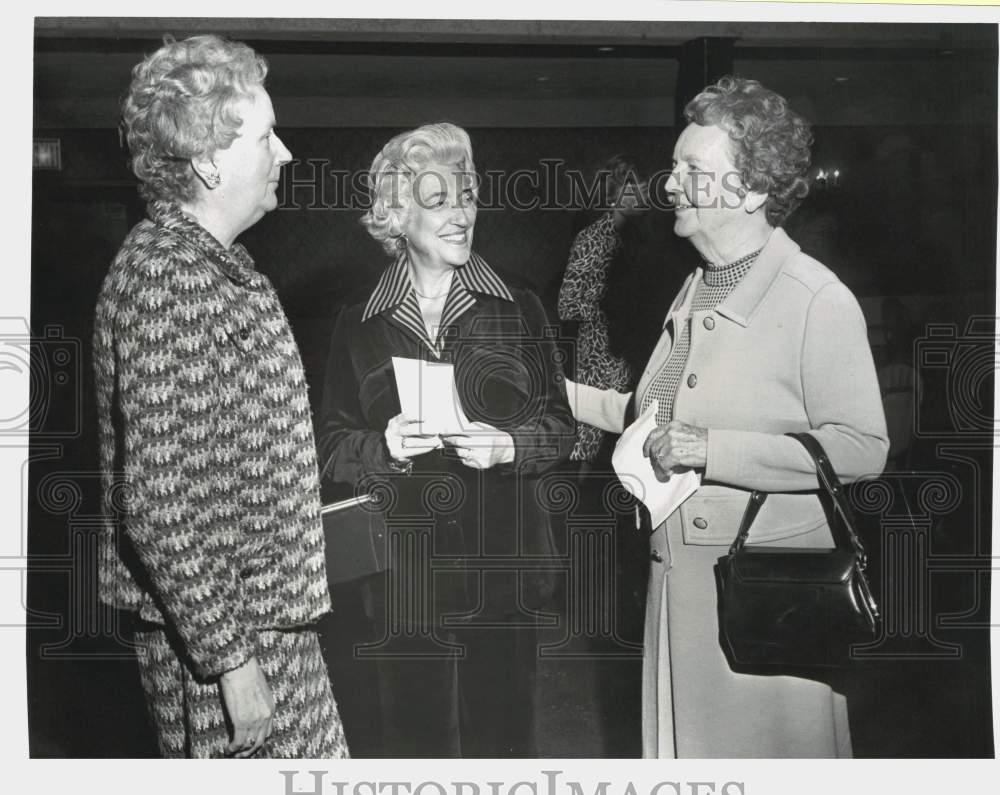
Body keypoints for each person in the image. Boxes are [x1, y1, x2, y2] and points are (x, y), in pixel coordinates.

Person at [567, 76, 888, 757]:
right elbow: (651, 415)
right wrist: (554, 393)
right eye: (674, 165)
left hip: (763, 602)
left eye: (693, 171)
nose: (671, 184)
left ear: (750, 190)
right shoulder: (695, 284)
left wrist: (711, 447)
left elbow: (863, 448)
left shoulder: (815, 299)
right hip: (676, 583)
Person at [93, 34, 348, 759]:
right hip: (225, 648)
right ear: (207, 159)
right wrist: (232, 663)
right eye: (266, 134)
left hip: (263, 630)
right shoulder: (166, 277)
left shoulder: (219, 270)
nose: (285, 153)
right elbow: (161, 503)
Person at [318, 122, 573, 757]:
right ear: (397, 216)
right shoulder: (358, 323)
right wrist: (383, 447)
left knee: (501, 746)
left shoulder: (519, 306)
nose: (461, 215)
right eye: (439, 201)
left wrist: (508, 445)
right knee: (413, 748)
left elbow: (561, 430)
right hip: (404, 581)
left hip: (503, 574)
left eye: (468, 196)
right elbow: (328, 444)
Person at [557, 155, 647, 463]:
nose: (644, 192)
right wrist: (605, 310)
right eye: (633, 188)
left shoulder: (638, 240)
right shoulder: (592, 238)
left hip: (626, 352)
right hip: (597, 354)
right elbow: (566, 303)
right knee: (589, 444)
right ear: (614, 196)